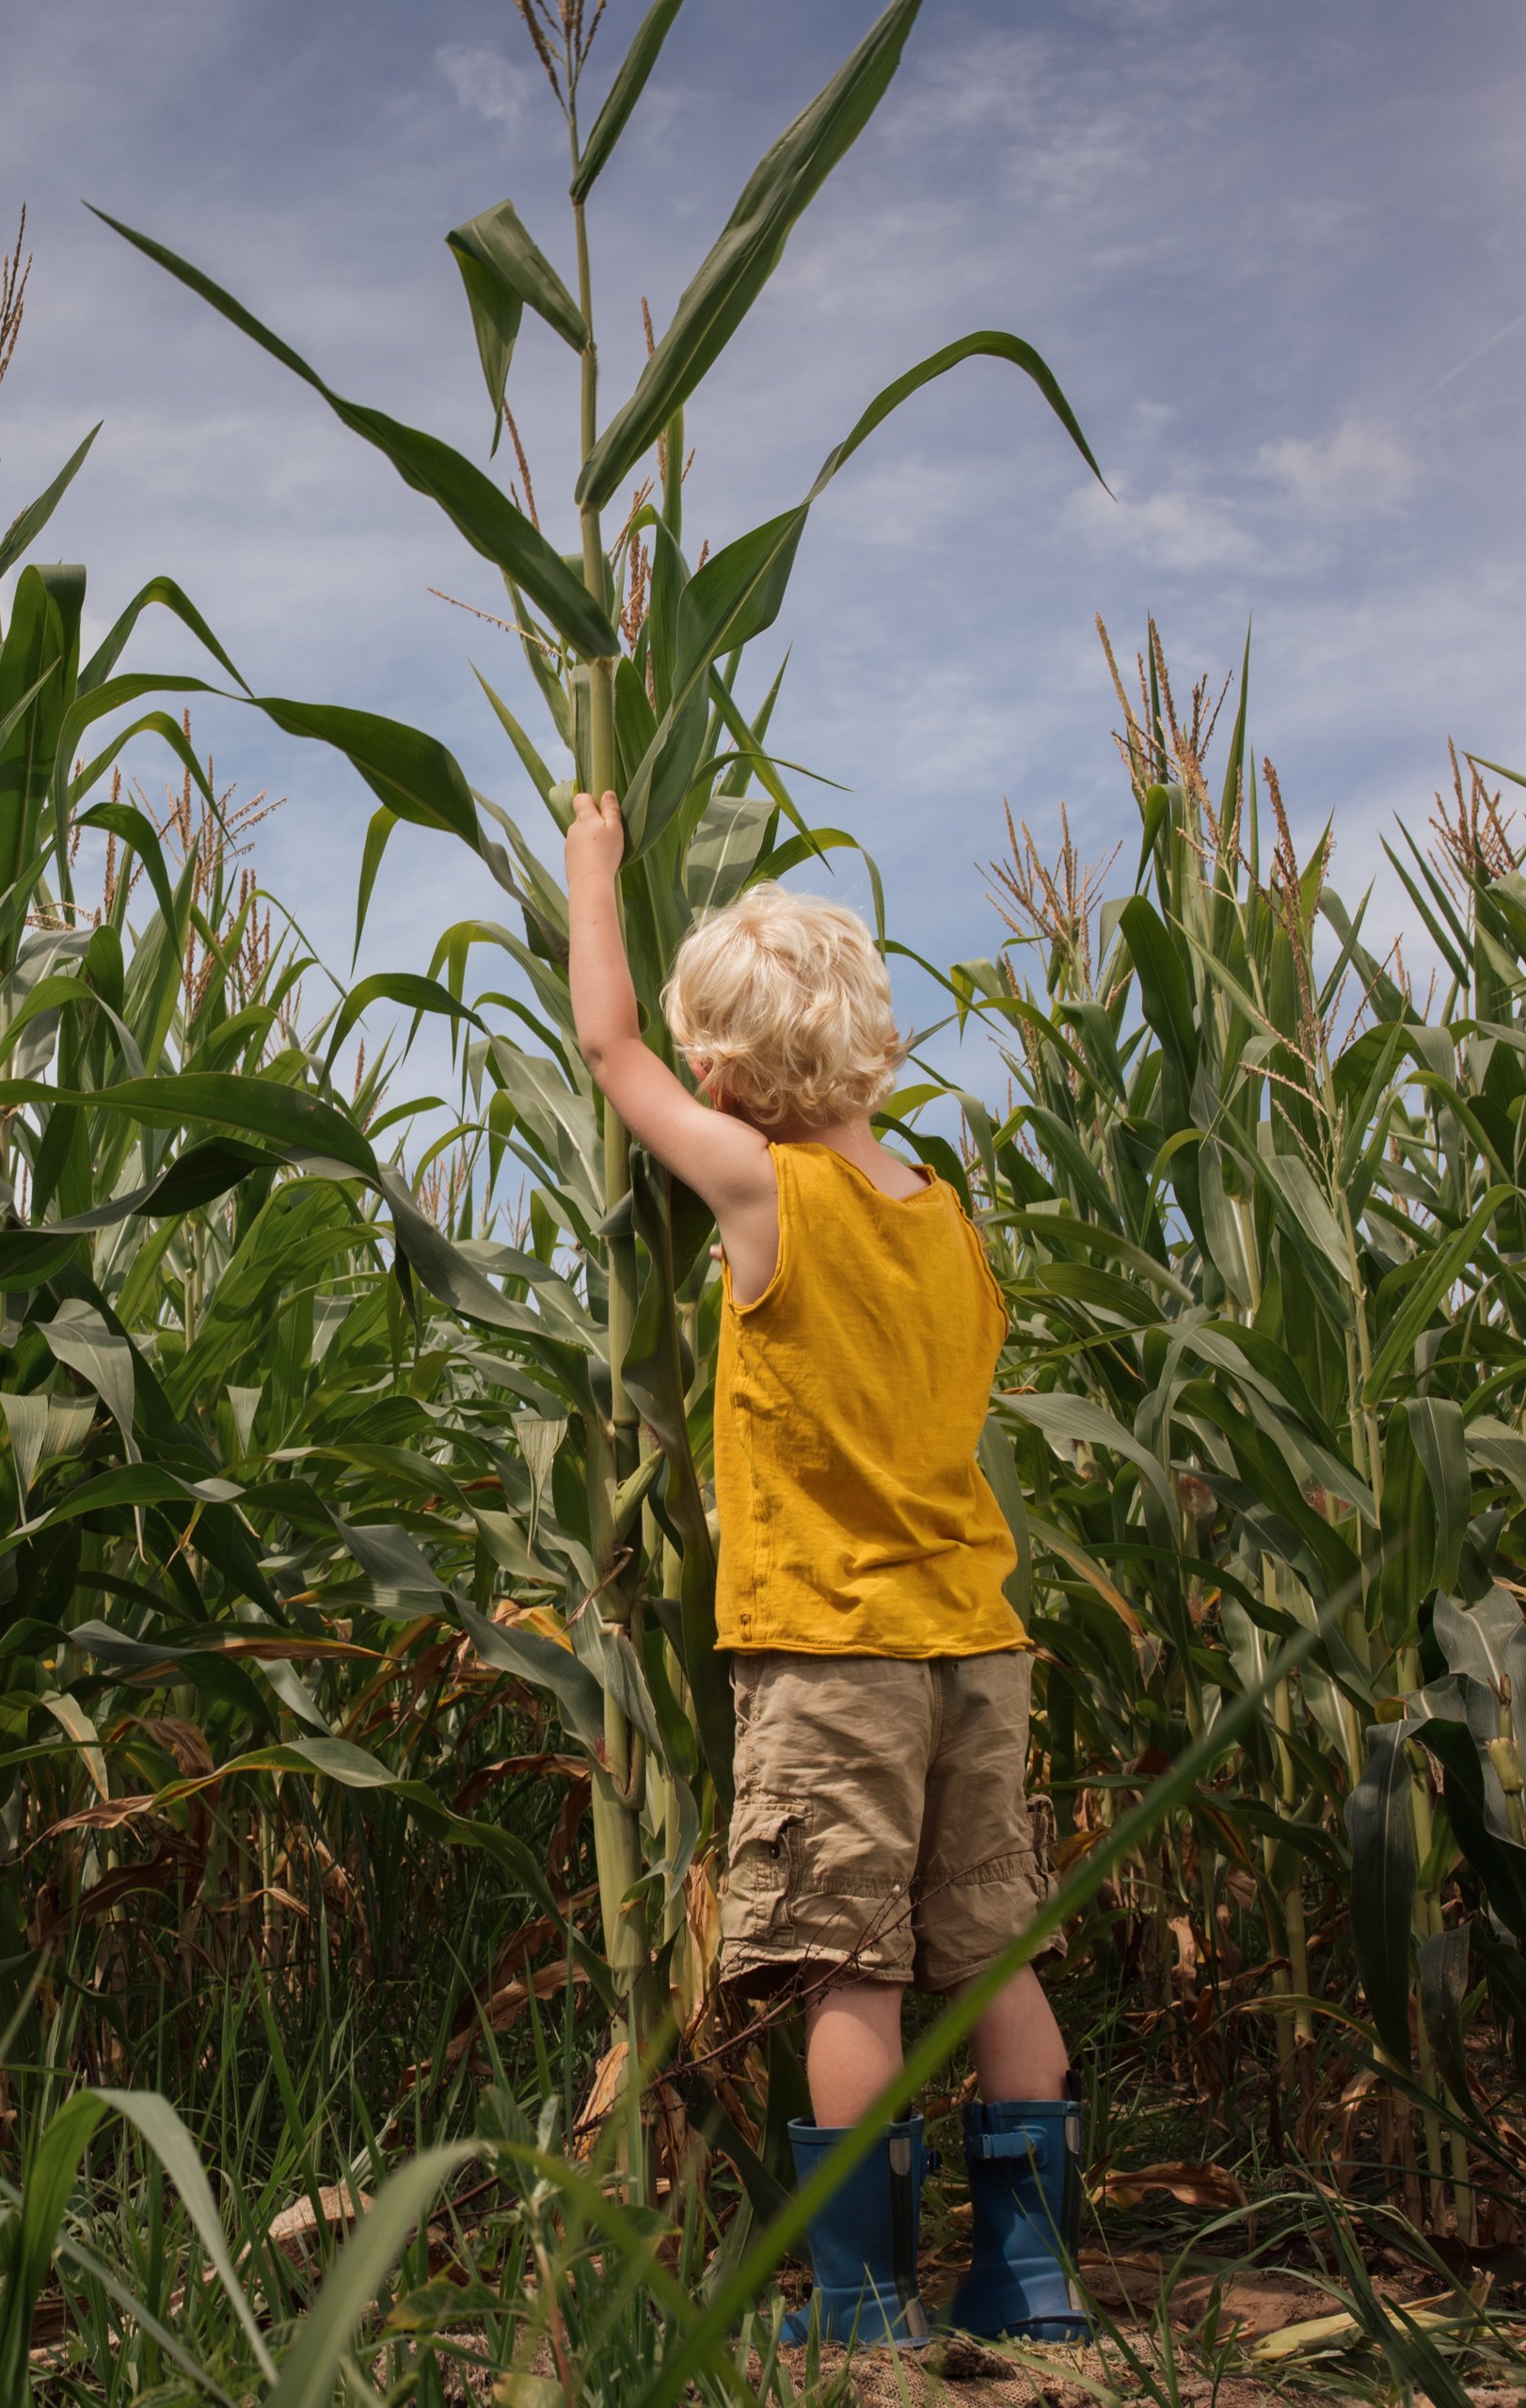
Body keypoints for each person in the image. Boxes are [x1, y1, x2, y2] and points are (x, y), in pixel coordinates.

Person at [561, 789, 1087, 2348]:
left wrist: (593, 870)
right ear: (883, 1051)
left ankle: (861, 2302)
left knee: (844, 1970)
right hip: (974, 1648)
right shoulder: (951, 1227)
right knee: (991, 1947)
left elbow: (610, 1056)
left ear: (728, 1077)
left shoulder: (762, 1195)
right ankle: (1033, 2279)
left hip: (831, 1654)